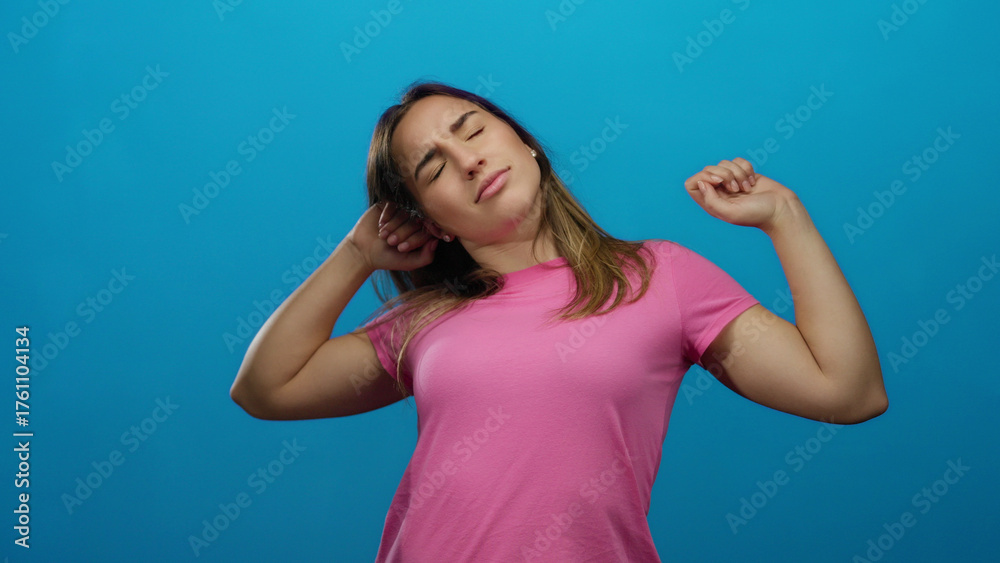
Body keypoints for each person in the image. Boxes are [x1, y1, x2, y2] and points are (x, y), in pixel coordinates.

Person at [229, 80, 889, 561]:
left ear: (524, 142)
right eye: (433, 167)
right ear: (428, 219)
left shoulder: (664, 276)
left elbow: (848, 391)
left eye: (472, 129)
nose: (467, 160)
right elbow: (265, 388)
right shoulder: (425, 320)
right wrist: (354, 255)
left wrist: (785, 217)